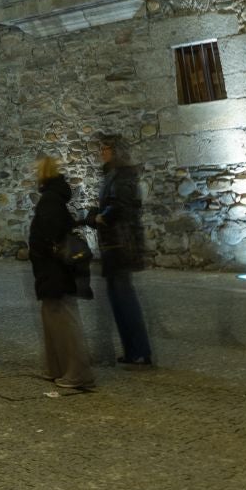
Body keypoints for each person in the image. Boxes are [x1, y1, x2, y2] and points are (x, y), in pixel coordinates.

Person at [28, 155, 95, 394]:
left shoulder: (49, 200)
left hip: (54, 269)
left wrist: (37, 250)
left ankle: (78, 373)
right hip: (52, 269)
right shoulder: (54, 198)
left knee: (64, 320)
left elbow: (49, 235)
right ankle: (56, 367)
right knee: (53, 318)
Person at [93, 133, 153, 367]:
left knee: (125, 299)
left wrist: (102, 217)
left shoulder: (122, 175)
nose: (103, 152)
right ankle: (131, 350)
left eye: (107, 148)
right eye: (103, 148)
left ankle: (140, 350)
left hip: (120, 244)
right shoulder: (112, 174)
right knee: (118, 300)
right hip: (112, 245)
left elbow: (120, 205)